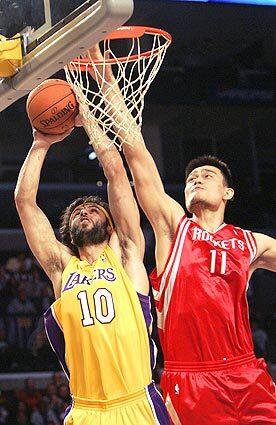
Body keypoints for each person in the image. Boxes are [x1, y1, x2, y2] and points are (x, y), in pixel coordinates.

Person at [87, 45, 276, 424]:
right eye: (191, 177)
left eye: (207, 176)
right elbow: (137, 154)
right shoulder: (174, 226)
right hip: (190, 379)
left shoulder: (252, 242)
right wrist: (106, 80)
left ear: (228, 193)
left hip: (246, 372)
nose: (196, 178)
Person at [14, 114, 169, 424]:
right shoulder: (62, 269)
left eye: (93, 209)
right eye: (77, 212)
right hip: (86, 410)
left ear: (110, 224)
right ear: (69, 231)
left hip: (137, 402)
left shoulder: (125, 254)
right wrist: (40, 143)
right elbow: (24, 201)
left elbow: (116, 175)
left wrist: (89, 122)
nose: (83, 211)